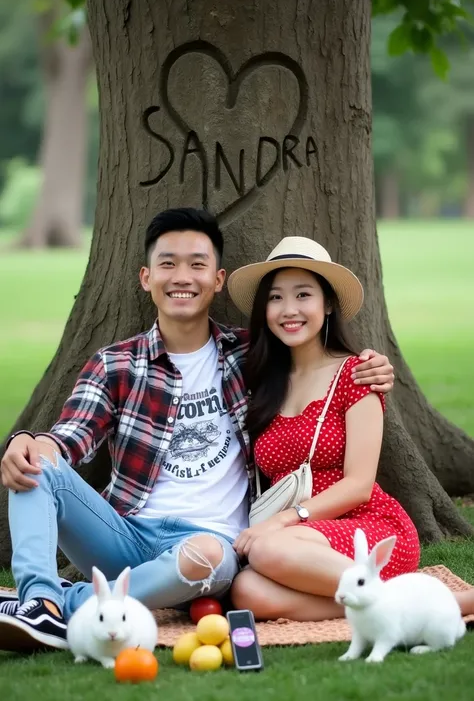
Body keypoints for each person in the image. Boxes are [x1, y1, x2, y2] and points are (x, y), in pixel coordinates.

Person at [0, 209, 394, 653]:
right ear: (146, 277)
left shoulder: (252, 357)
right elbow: (71, 436)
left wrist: (371, 367)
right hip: (121, 535)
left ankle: (63, 605)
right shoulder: (115, 364)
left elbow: (315, 362)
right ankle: (37, 603)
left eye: (197, 264)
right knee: (34, 462)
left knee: (207, 556)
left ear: (219, 279)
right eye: (168, 264)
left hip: (211, 546)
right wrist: (29, 443)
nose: (182, 276)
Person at [226, 236, 474, 624]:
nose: (288, 310)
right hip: (299, 540)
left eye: (303, 295)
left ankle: (439, 604)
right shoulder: (260, 382)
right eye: (275, 298)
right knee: (246, 592)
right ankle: (402, 607)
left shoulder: (357, 374)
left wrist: (285, 519)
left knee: (266, 551)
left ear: (327, 305)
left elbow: (359, 484)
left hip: (365, 526)